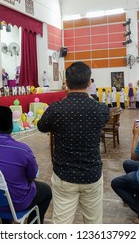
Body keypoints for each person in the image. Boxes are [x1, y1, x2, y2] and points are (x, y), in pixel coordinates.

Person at [37, 61, 109, 224]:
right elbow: (100, 111)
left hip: (64, 175)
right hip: (92, 174)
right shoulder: (101, 109)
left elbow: (41, 126)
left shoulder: (56, 109)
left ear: (66, 83)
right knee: (93, 224)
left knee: (62, 224)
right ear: (90, 83)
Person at [0, 106, 52, 223]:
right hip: (16, 203)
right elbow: (32, 176)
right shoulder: (23, 150)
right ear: (12, 127)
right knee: (46, 191)